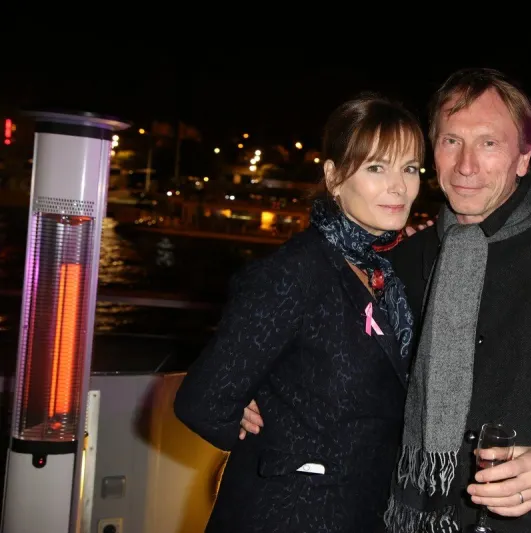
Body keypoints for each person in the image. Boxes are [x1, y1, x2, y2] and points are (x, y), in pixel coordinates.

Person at [241, 67, 531, 533]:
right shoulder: (405, 256)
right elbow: (347, 363)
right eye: (451, 141)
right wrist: (261, 386)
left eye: (489, 143)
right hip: (405, 518)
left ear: (524, 155)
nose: (466, 165)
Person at [173, 92, 425, 533]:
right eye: (376, 168)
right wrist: (275, 442)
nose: (399, 186)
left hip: (365, 510)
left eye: (409, 169)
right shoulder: (296, 272)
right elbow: (203, 401)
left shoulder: (385, 270)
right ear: (333, 176)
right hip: (292, 512)